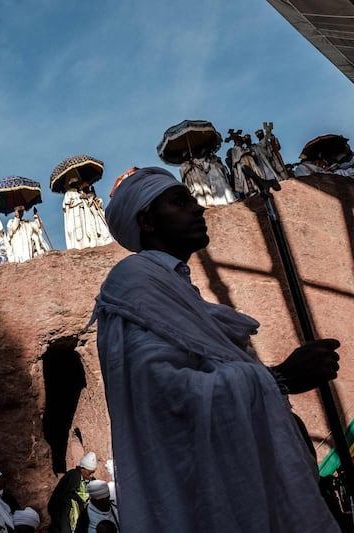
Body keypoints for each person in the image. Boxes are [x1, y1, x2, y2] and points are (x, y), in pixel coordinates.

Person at [92, 166, 341, 532]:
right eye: (180, 202)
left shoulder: (176, 291)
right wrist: (279, 378)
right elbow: (164, 396)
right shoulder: (135, 285)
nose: (198, 209)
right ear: (146, 221)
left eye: (193, 200)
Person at [47, 452, 96, 533]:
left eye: (93, 472)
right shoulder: (73, 476)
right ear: (82, 469)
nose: (91, 476)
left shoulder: (91, 480)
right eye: (90, 473)